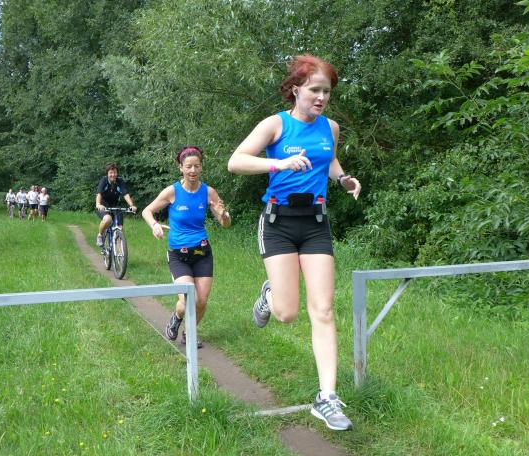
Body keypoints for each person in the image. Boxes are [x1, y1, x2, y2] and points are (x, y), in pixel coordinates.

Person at [227, 55, 362, 431]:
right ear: (296, 89)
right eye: (315, 90)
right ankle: (270, 294)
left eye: (327, 92)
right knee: (287, 313)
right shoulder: (276, 124)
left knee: (324, 310)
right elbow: (236, 162)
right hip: (279, 223)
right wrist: (279, 165)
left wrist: (343, 179)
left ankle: (327, 398)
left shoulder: (330, 127)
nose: (322, 98)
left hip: (315, 222)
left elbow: (329, 162)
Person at [142, 146, 231, 348]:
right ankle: (176, 317)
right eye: (188, 166)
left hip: (202, 253)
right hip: (178, 255)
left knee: (201, 301)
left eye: (197, 166)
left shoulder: (208, 192)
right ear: (181, 167)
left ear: (201, 167)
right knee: (187, 299)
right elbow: (147, 211)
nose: (193, 170)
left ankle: (189, 333)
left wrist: (224, 215)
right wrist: (154, 225)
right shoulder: (172, 191)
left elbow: (225, 224)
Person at [95, 163, 137, 246]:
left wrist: (131, 205)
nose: (113, 175)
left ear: (117, 173)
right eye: (111, 172)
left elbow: (125, 194)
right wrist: (98, 204)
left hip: (115, 206)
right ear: (107, 173)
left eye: (115, 172)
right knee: (108, 219)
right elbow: (99, 193)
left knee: (120, 228)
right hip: (103, 206)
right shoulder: (104, 180)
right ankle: (100, 235)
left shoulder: (120, 181)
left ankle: (120, 251)